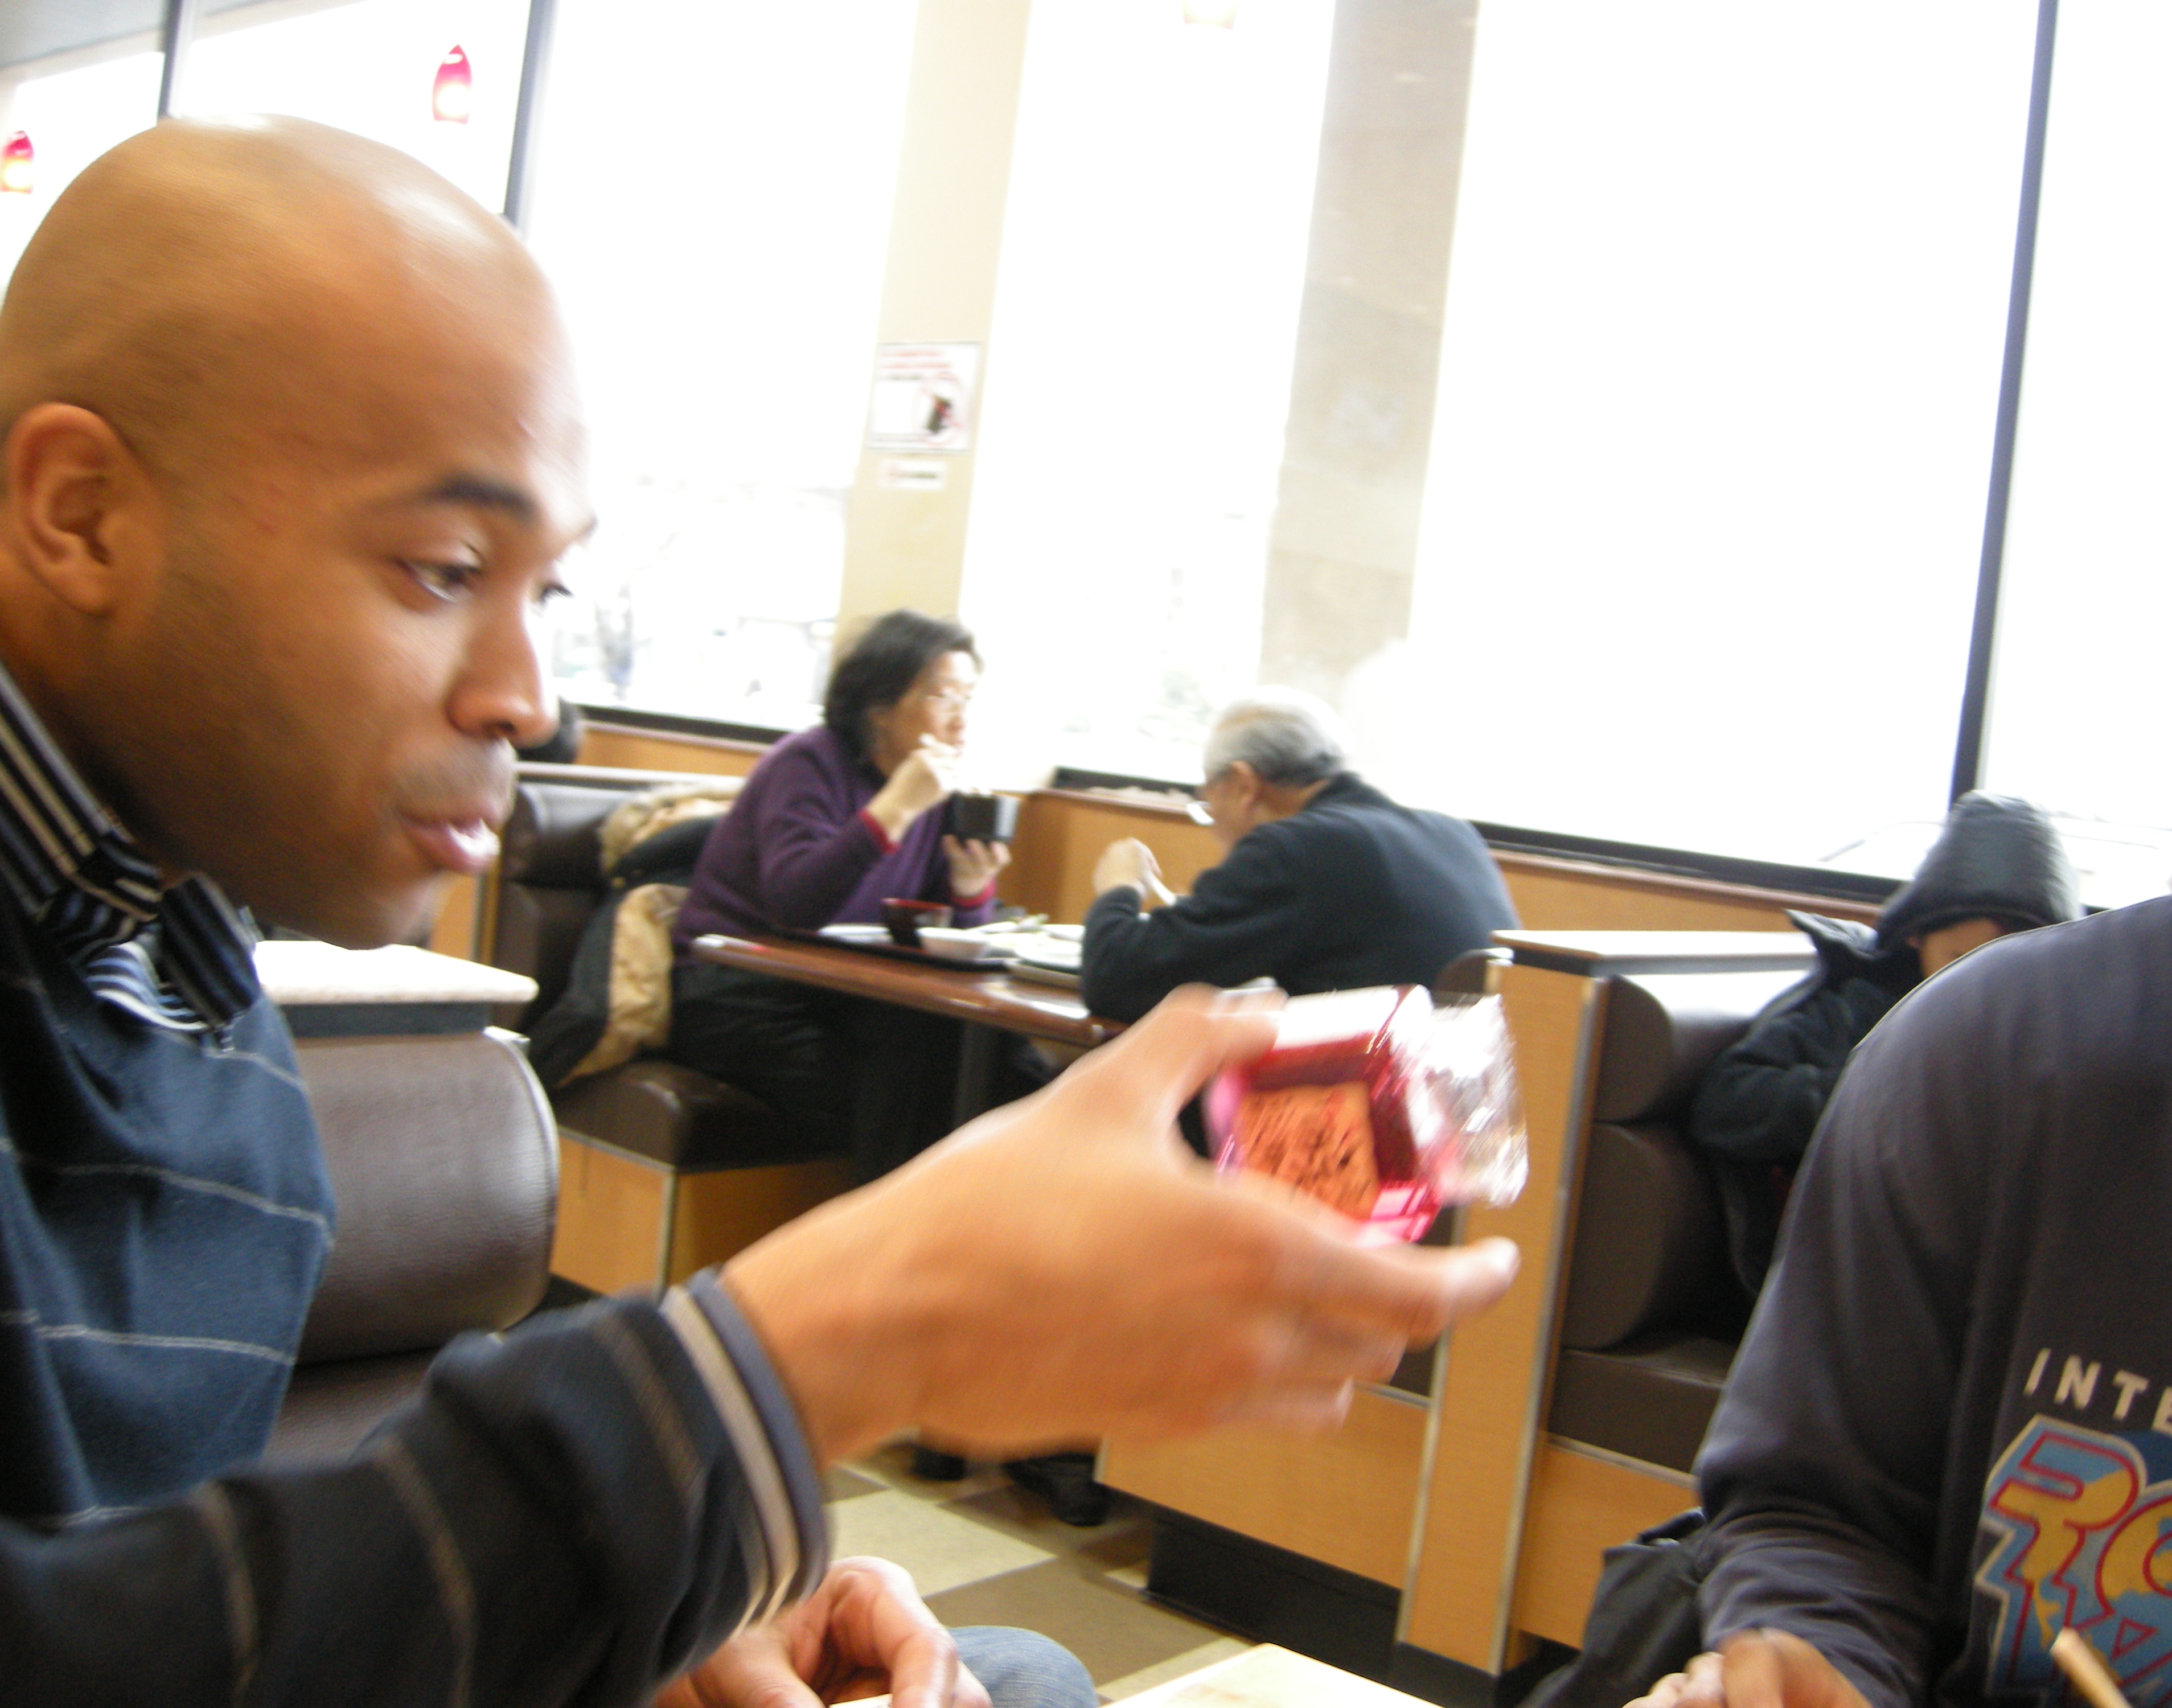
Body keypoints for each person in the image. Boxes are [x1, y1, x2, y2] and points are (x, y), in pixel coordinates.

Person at [0, 116, 1519, 1706]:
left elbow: (193, 1545)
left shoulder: (183, 971)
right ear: (81, 512)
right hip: (738, 991)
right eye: (443, 567)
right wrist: (806, 1351)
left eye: (547, 591)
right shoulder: (812, 769)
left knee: (1004, 1672)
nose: (530, 696)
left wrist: (645, 1610)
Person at [1631, 690, 2172, 1707]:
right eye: (1963, 940)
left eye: (2005, 934)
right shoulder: (1980, 1043)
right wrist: (1819, 1662)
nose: (1978, 958)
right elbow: (1825, 1517)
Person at [668, 608, 1037, 1179]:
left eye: (968, 699)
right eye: (944, 697)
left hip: (847, 998)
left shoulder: (934, 793)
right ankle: (895, 1230)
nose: (961, 721)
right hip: (738, 993)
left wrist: (969, 890)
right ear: (878, 705)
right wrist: (895, 808)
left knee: (1001, 1065)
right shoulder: (809, 763)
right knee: (911, 1084)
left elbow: (946, 948)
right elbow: (797, 904)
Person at [1686, 791, 2080, 1296]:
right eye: (1958, 960)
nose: (1977, 989)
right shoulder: (1857, 1009)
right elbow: (1727, 1103)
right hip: (1855, 1277)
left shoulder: (2051, 1044)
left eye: (2006, 972)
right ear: (1916, 935)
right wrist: (1874, 1095)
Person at [1079, 688, 1518, 1023]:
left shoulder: (1295, 848)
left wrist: (1121, 887)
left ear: (1243, 785)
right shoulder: (1453, 834)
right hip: (1463, 1102)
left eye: (1208, 805)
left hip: (1350, 1102)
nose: (1212, 825)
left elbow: (1116, 982)